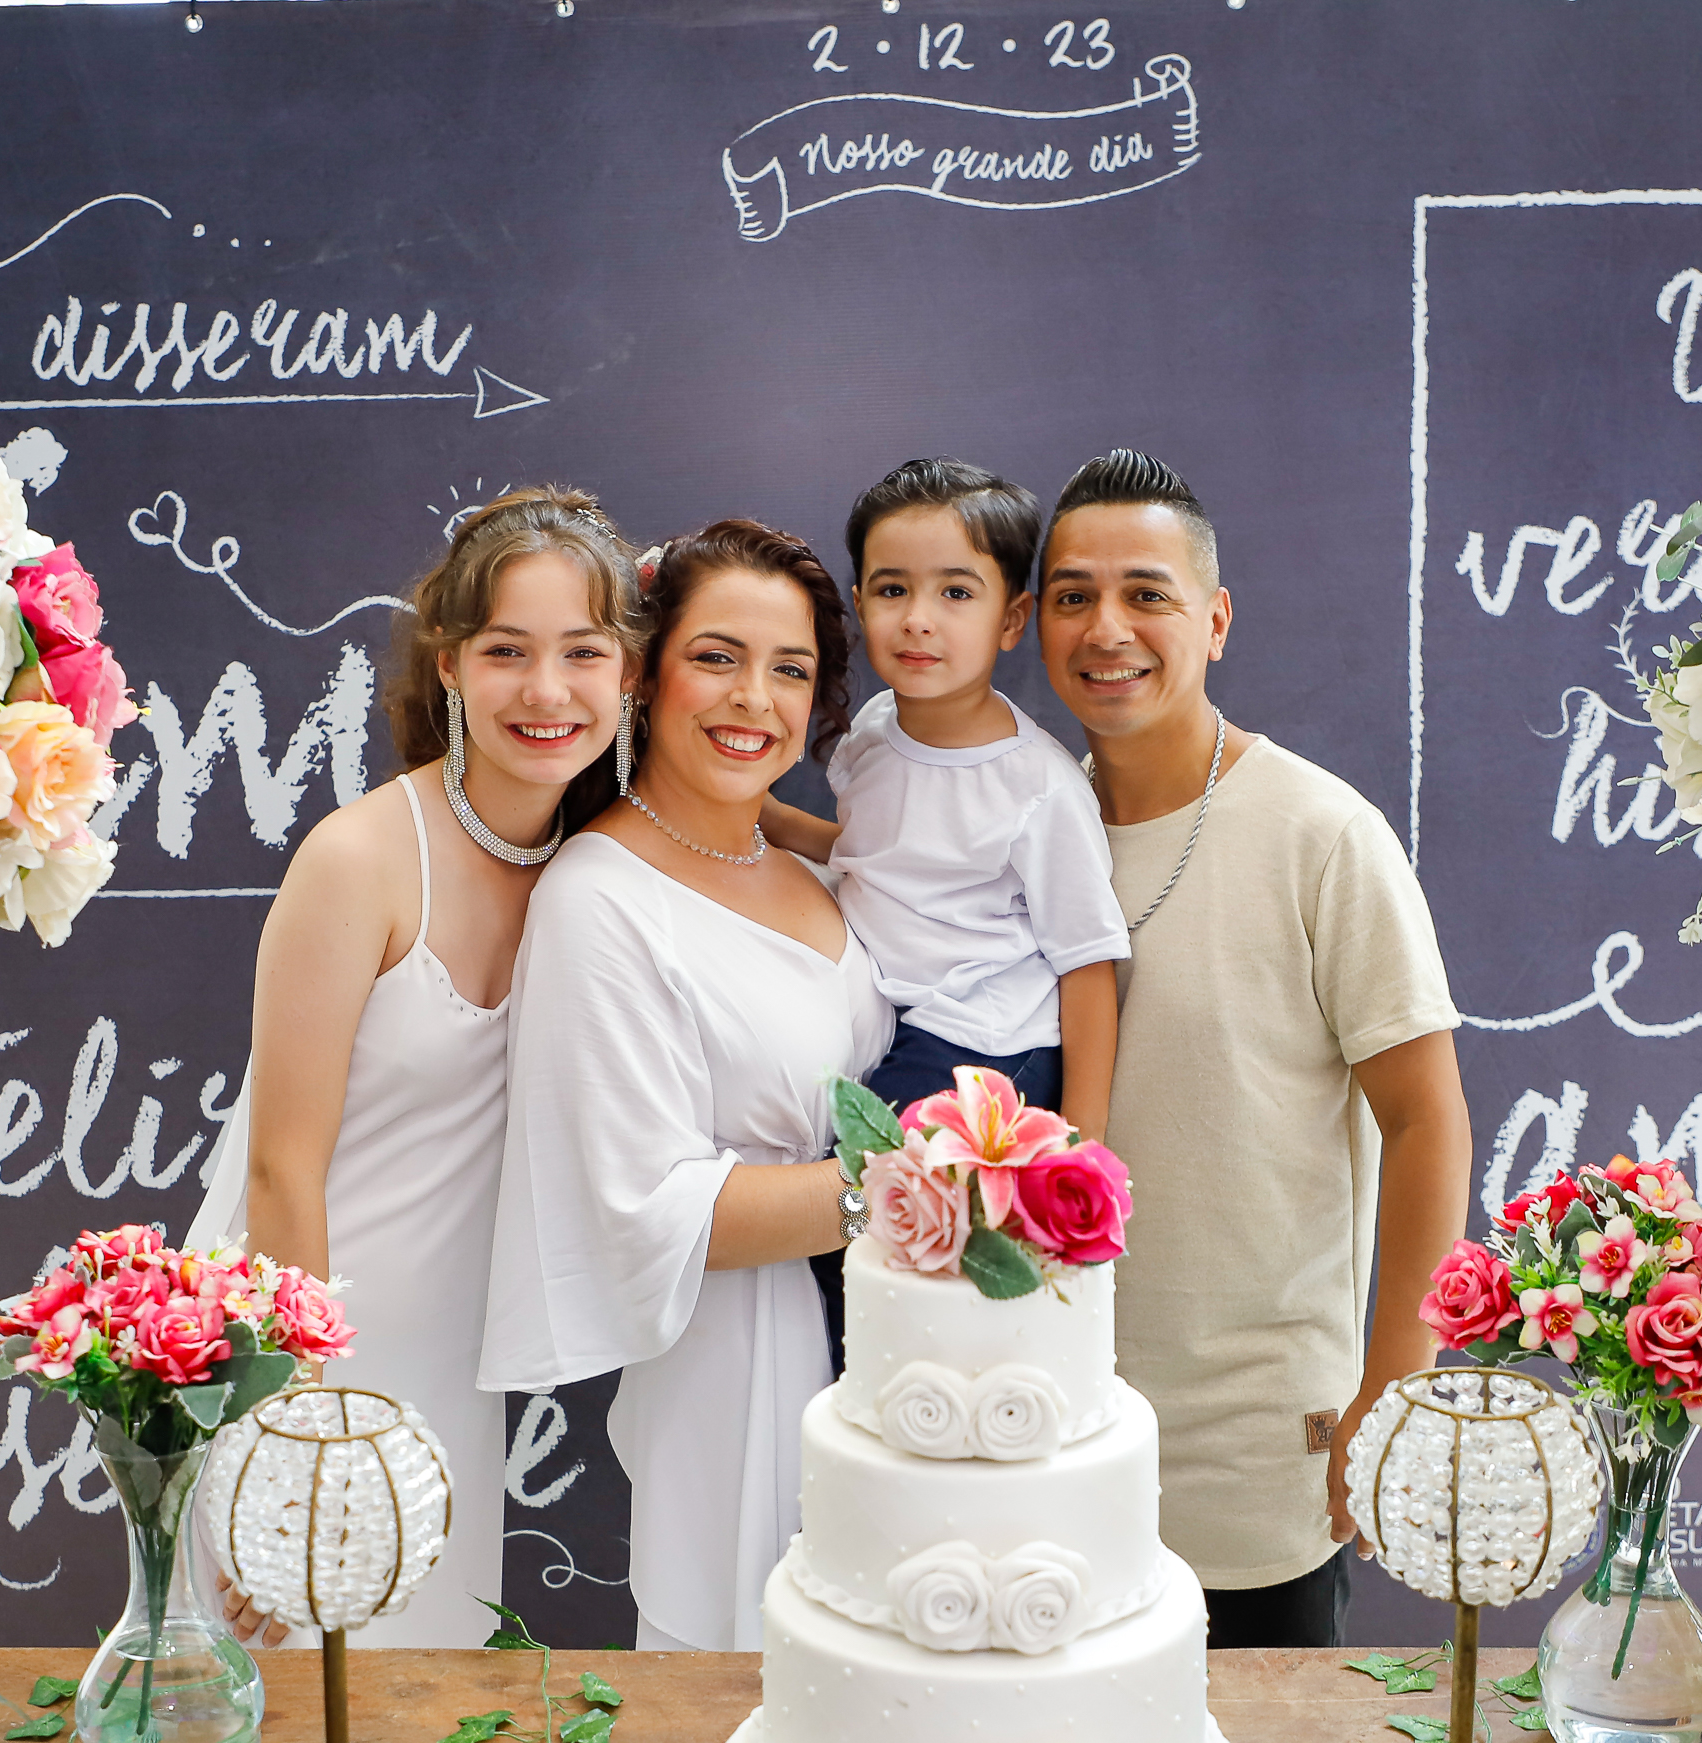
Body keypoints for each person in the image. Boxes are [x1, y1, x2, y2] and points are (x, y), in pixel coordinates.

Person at [192, 487, 642, 1648]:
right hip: (293, 1361)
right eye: (508, 652)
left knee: (410, 1741)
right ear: (448, 664)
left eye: (583, 652)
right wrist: (301, 1451)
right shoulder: (360, 860)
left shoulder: (597, 865)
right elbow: (281, 1172)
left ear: (630, 674)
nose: (548, 692)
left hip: (449, 1376)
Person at [1039, 448, 1470, 1649]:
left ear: (1214, 619)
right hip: (1046, 1452)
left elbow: (1427, 1116)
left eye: (1147, 593)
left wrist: (1395, 1384)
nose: (1106, 627)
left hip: (1259, 1470)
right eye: (1073, 595)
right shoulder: (1032, 827)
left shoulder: (1321, 832)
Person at [479, 519, 893, 1652]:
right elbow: (647, 1205)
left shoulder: (813, 865)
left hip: (892, 1344)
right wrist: (919, 1186)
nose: (752, 698)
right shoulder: (598, 898)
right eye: (717, 656)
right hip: (741, 1365)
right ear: (645, 672)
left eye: (791, 669)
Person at [769, 458, 1125, 1136]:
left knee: (851, 1204)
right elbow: (873, 856)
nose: (918, 620)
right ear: (859, 601)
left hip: (987, 1045)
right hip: (889, 1017)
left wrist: (1081, 1142)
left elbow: (1087, 965)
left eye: (956, 594)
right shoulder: (874, 729)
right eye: (892, 590)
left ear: (1012, 618)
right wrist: (777, 821)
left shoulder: (1038, 787)